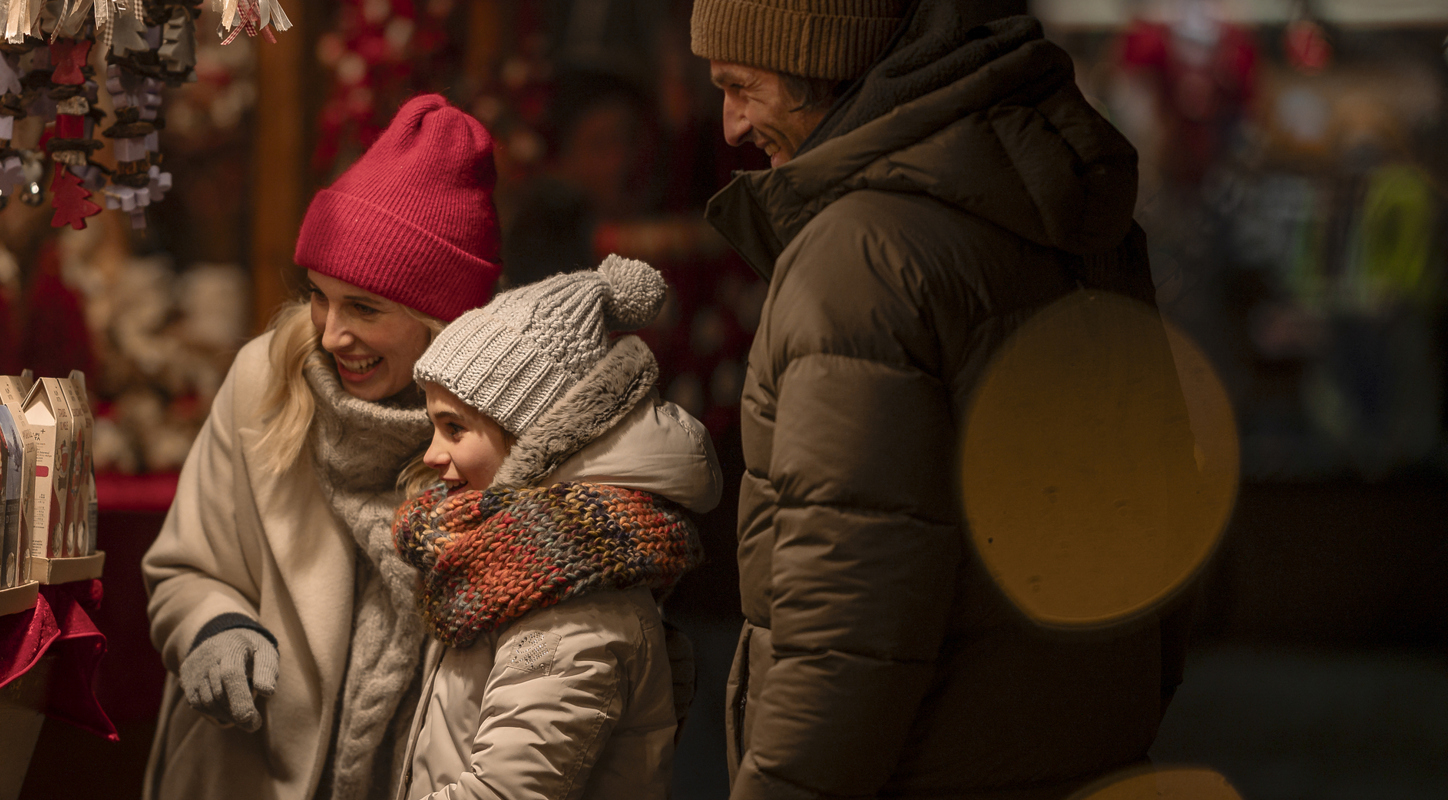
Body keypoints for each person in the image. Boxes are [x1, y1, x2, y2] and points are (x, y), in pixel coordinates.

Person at [690, 1, 1184, 798]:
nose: (731, 126)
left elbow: (844, 635)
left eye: (743, 86)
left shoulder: (860, 258)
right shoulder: (1073, 217)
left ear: (826, 66)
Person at [141, 94, 503, 800]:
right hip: (241, 774)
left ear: (443, 322)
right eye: (318, 295)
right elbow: (183, 569)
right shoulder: (264, 382)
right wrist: (213, 627)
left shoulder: (495, 437)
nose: (331, 333)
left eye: (364, 307)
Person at [389, 254, 719, 800]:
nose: (431, 455)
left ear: (536, 439)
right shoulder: (509, 562)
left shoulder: (572, 596)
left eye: (454, 429)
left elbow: (503, 792)